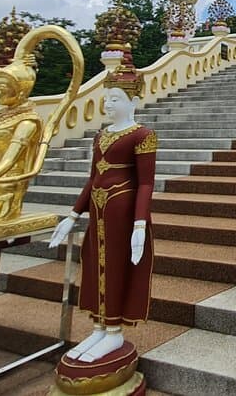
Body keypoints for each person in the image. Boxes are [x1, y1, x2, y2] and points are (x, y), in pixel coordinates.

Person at [49, 50, 156, 363]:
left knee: (118, 266)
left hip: (123, 212)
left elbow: (146, 183)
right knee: (96, 263)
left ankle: (114, 332)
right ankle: (98, 325)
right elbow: (93, 177)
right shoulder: (101, 136)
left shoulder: (143, 135)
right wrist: (72, 214)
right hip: (98, 212)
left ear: (131, 100)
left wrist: (140, 224)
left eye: (114, 99)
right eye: (106, 99)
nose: (108, 105)